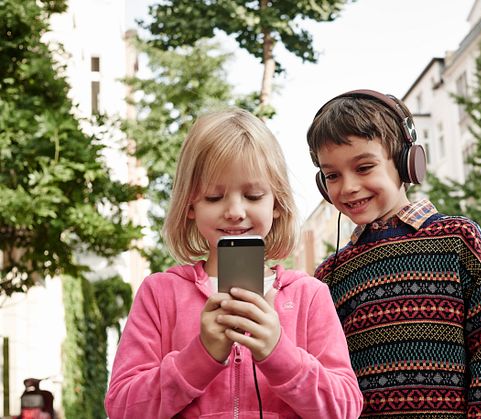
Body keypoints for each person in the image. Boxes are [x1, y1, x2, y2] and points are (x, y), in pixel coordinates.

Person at [105, 108, 363, 418]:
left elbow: (344, 409)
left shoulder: (309, 296)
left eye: (253, 196)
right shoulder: (160, 294)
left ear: (277, 203)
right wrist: (200, 356)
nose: (235, 211)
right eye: (214, 198)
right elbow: (122, 409)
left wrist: (279, 353)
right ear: (190, 205)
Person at [306, 90, 481, 418]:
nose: (347, 186)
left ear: (407, 161)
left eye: (364, 167)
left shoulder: (458, 241)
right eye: (332, 175)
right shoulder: (330, 274)